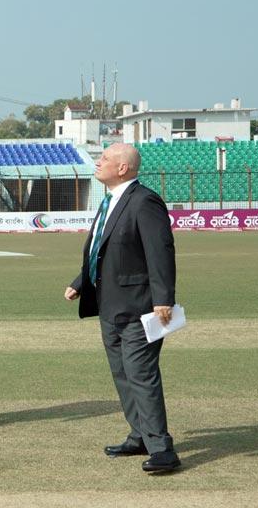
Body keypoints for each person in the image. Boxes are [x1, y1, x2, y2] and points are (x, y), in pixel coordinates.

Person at [64, 142, 180, 473]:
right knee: (122, 374)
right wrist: (80, 281)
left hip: (141, 307)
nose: (97, 163)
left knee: (141, 374)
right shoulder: (110, 201)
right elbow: (101, 249)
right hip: (110, 304)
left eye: (104, 159)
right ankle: (140, 435)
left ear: (123, 168)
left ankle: (162, 448)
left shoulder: (144, 201)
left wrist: (163, 298)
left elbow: (160, 251)